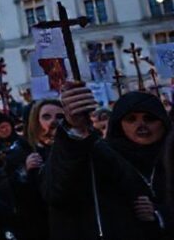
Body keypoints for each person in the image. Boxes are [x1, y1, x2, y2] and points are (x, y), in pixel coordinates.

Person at [43, 84, 171, 239]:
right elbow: (60, 188)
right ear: (119, 125)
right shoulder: (102, 157)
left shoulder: (169, 155)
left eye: (149, 118)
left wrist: (162, 214)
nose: (141, 125)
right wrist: (73, 129)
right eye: (131, 119)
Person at [4, 99, 63, 240]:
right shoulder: (20, 151)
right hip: (37, 227)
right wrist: (24, 172)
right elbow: (12, 194)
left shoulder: (71, 149)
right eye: (46, 117)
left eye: (59, 117)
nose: (53, 122)